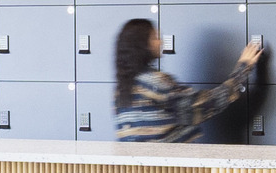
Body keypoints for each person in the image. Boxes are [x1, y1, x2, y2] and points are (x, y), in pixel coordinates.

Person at [110, 18, 268, 142]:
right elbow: (203, 104)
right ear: (142, 45)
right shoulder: (155, 82)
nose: (161, 42)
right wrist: (243, 68)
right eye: (155, 37)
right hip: (167, 168)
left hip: (137, 170)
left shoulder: (121, 89)